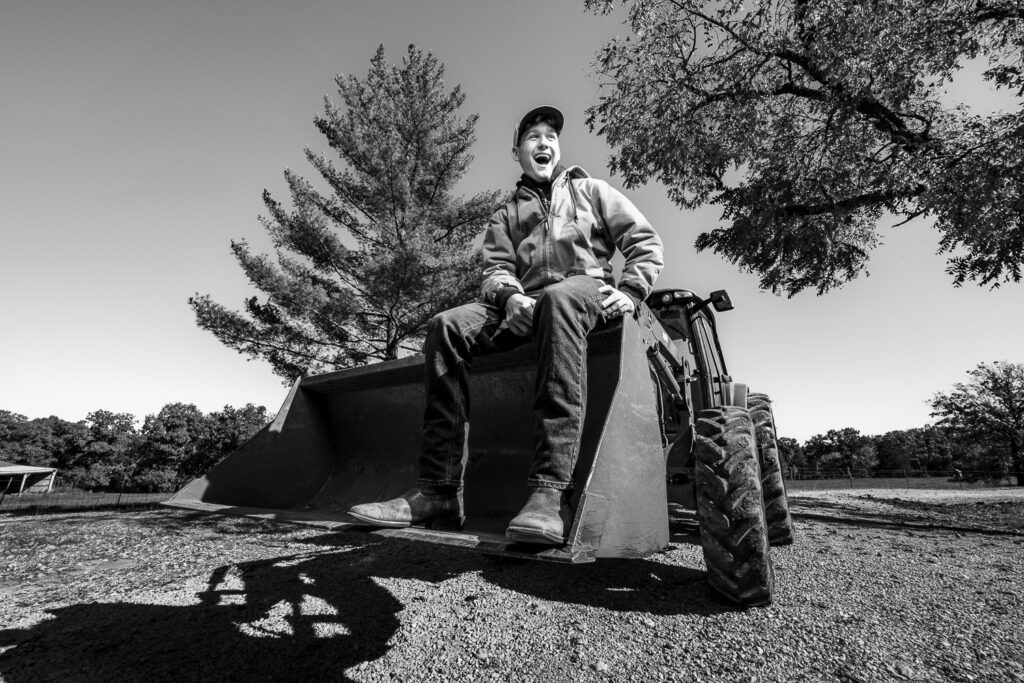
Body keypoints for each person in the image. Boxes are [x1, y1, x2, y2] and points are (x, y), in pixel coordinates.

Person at [348, 105, 663, 545]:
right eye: (533, 137)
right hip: (523, 306)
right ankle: (438, 490)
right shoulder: (506, 215)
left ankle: (550, 494)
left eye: (551, 137)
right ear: (517, 152)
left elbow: (644, 241)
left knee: (559, 296)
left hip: (583, 295)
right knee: (446, 326)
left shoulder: (592, 191)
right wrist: (509, 296)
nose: (544, 143)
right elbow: (494, 271)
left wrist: (630, 292)